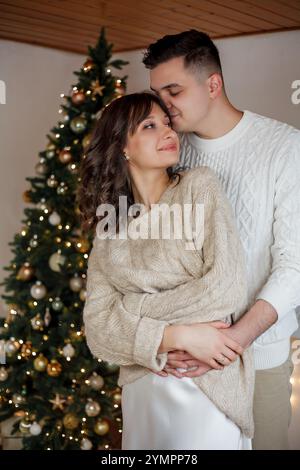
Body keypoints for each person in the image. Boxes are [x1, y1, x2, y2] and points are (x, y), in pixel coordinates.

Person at [143, 29, 300, 450]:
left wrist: (228, 345)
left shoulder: (285, 147)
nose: (164, 104)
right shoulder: (169, 153)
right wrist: (171, 342)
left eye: (174, 90)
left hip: (257, 359)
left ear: (213, 84)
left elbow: (295, 267)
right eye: (158, 93)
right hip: (183, 360)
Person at [78, 92, 254, 450]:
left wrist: (132, 312)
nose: (169, 131)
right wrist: (176, 336)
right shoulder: (109, 226)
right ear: (122, 146)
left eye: (167, 122)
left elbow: (226, 287)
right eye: (149, 125)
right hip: (145, 389)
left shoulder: (198, 187)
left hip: (207, 381)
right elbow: (97, 330)